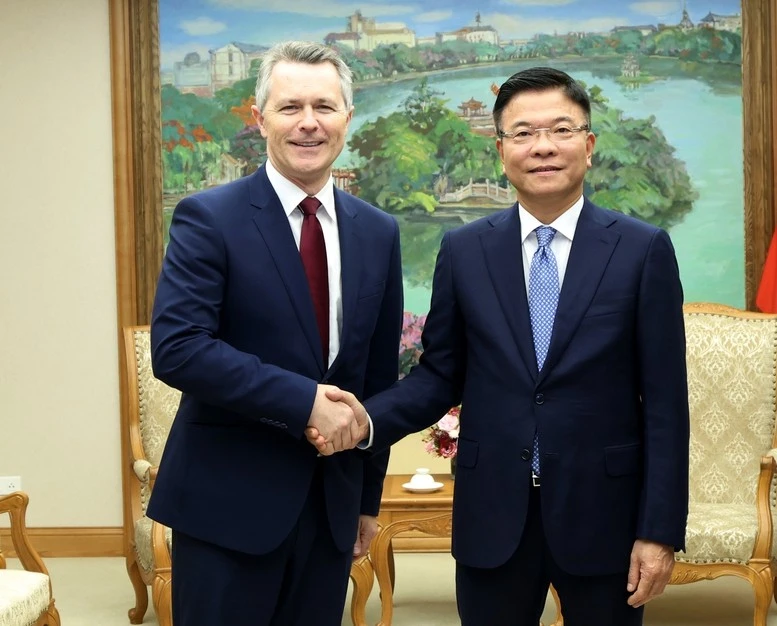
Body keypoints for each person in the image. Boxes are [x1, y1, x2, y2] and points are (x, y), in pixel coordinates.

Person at [312, 67, 689, 626]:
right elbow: (440, 374)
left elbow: (665, 404)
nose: (542, 147)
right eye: (523, 133)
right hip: (493, 513)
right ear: (500, 150)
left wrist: (658, 532)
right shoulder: (465, 250)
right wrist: (364, 418)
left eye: (560, 130)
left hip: (603, 516)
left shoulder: (641, 250)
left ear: (588, 144)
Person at [147, 41, 403, 626]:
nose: (308, 123)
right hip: (226, 509)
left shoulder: (378, 233)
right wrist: (304, 400)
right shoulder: (208, 217)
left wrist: (366, 502)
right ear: (259, 119)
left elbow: (376, 380)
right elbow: (179, 348)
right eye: (290, 107)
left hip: (331, 508)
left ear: (347, 118)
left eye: (324, 106)